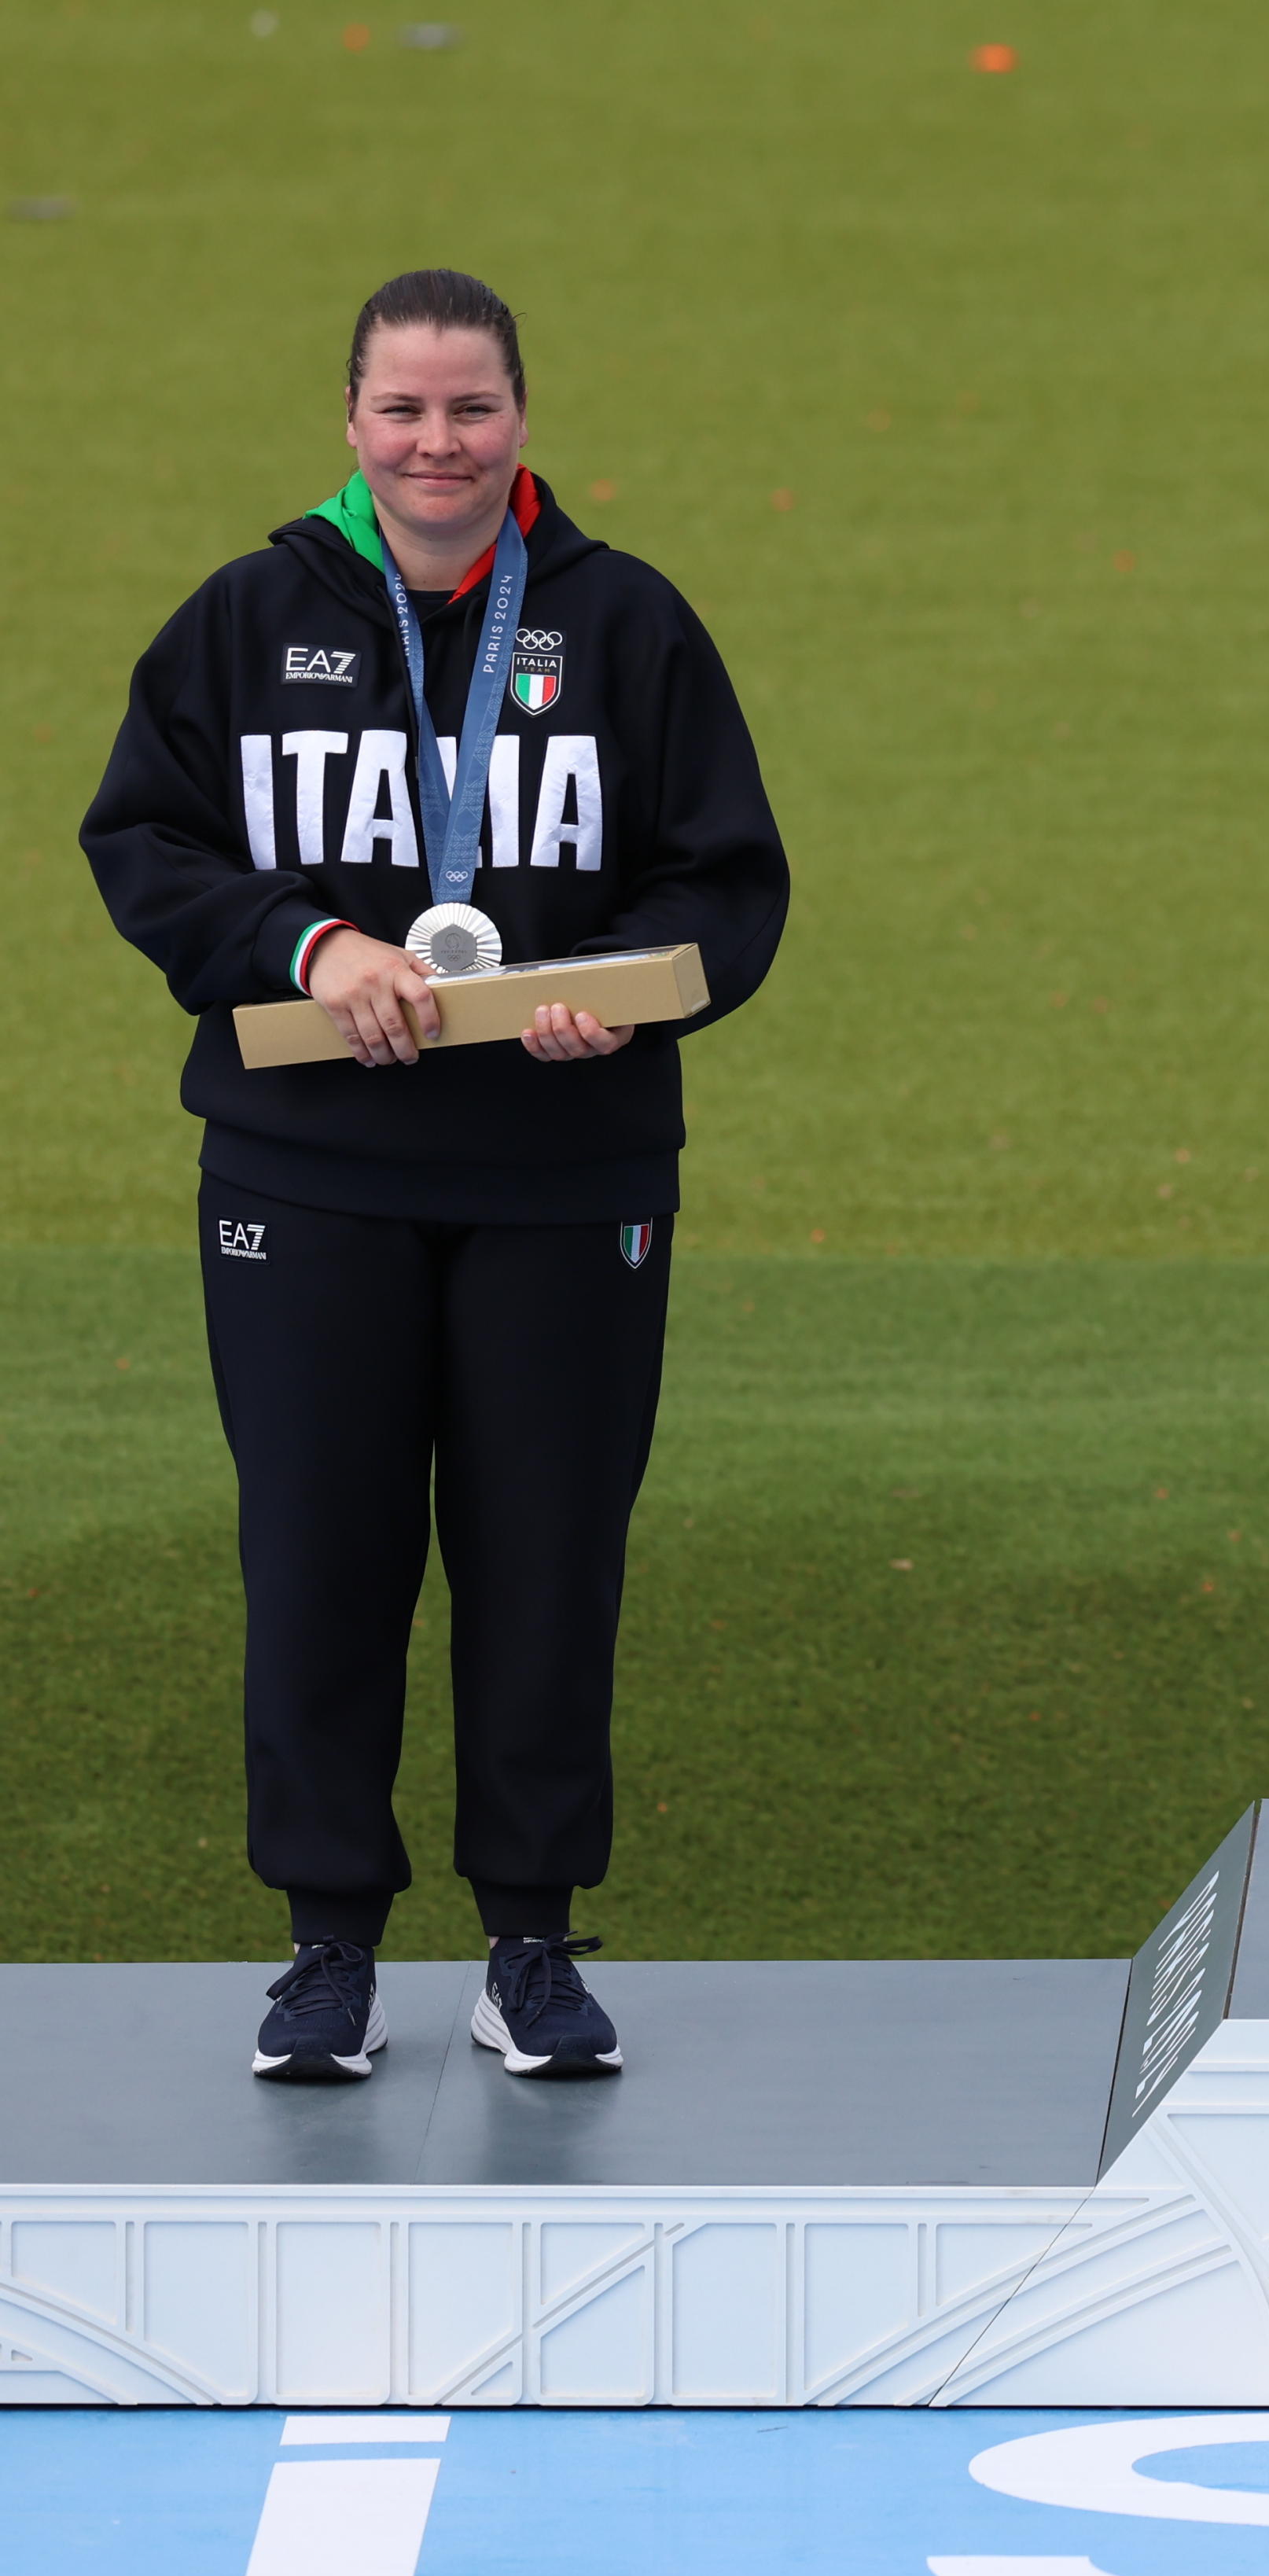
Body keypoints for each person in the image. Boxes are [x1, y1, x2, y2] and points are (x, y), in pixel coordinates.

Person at [84, 269, 789, 2081]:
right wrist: (307, 944)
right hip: (308, 1174)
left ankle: (531, 1946)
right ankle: (327, 1950)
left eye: (469, 408)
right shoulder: (248, 621)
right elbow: (143, 840)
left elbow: (726, 882)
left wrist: (617, 1007)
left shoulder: (622, 626)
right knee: (319, 1553)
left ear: (521, 419)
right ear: (350, 422)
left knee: (546, 1560)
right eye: (402, 409)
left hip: (568, 1177)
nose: (436, 443)